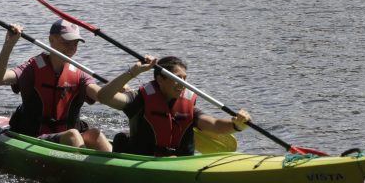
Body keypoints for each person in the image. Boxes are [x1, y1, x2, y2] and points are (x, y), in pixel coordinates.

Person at [0, 19, 124, 152]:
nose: (72, 48)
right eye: (66, 42)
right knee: (73, 135)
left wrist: (119, 84)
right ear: (51, 40)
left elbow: (101, 96)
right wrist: (9, 44)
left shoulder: (80, 74)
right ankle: (84, 169)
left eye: (75, 43)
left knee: (95, 134)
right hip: (35, 138)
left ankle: (117, 167)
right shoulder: (31, 69)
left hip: (67, 137)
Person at [97, 56, 251, 156]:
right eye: (178, 78)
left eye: (185, 79)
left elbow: (215, 125)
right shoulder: (139, 100)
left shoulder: (187, 105)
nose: (183, 84)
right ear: (160, 79)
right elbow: (104, 97)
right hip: (144, 161)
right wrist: (133, 72)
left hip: (179, 162)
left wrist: (237, 124)